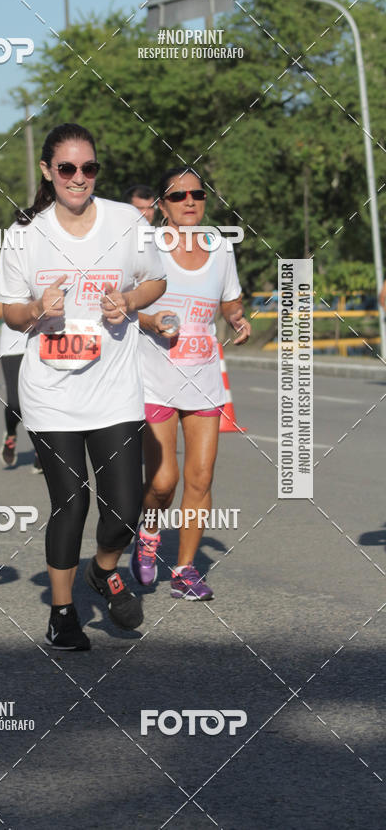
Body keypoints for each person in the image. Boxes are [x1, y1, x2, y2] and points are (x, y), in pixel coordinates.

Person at [0, 123, 166, 651]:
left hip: (114, 388)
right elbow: (6, 308)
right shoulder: (26, 234)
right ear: (48, 171)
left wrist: (132, 302)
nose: (78, 178)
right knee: (70, 504)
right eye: (66, 168)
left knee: (125, 505)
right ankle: (62, 612)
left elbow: (156, 279)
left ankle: (103, 567)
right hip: (51, 393)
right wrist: (36, 310)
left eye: (88, 168)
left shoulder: (125, 221)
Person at [132, 167, 250, 600]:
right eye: (178, 195)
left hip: (203, 376)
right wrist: (149, 319)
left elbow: (229, 297)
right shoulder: (147, 246)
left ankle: (184, 570)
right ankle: (148, 534)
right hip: (154, 377)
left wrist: (236, 316)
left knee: (200, 478)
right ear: (162, 205)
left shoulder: (220, 246)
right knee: (163, 480)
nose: (189, 201)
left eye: (197, 194)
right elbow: (123, 304)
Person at [0, 271, 42, 472]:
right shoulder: (3, 273)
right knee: (15, 404)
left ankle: (40, 448)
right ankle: (11, 433)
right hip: (13, 346)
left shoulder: (46, 268)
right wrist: (31, 305)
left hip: (42, 344)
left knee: (40, 402)